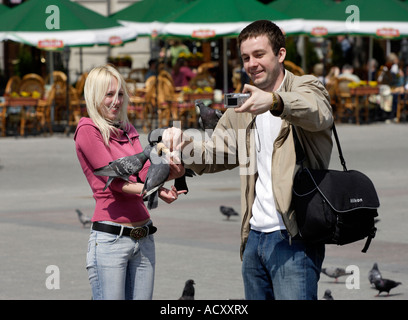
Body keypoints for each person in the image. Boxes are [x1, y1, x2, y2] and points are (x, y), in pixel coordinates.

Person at [163, 20, 333, 300]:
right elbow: (216, 152)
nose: (251, 64)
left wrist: (276, 102)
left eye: (259, 55)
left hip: (293, 237)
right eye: (245, 58)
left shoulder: (305, 87)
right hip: (254, 238)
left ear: (280, 54)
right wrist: (184, 146)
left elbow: (319, 113)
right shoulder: (242, 104)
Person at [74, 65, 186, 300]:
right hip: (111, 239)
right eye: (109, 94)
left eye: (120, 94)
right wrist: (154, 189)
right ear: (94, 95)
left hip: (144, 238)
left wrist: (175, 171)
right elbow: (115, 183)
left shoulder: (127, 129)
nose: (116, 101)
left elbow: (146, 172)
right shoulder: (88, 129)